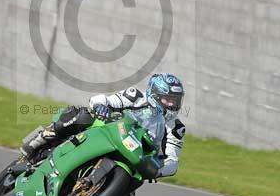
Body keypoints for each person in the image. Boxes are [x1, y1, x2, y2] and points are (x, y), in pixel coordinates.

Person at [20, 73, 186, 185]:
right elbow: (103, 99)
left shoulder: (176, 129)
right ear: (154, 94)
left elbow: (172, 161)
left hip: (137, 157)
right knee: (80, 115)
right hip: (110, 132)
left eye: (175, 100)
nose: (172, 105)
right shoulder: (136, 96)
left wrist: (157, 170)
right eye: (168, 100)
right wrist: (101, 107)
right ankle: (39, 139)